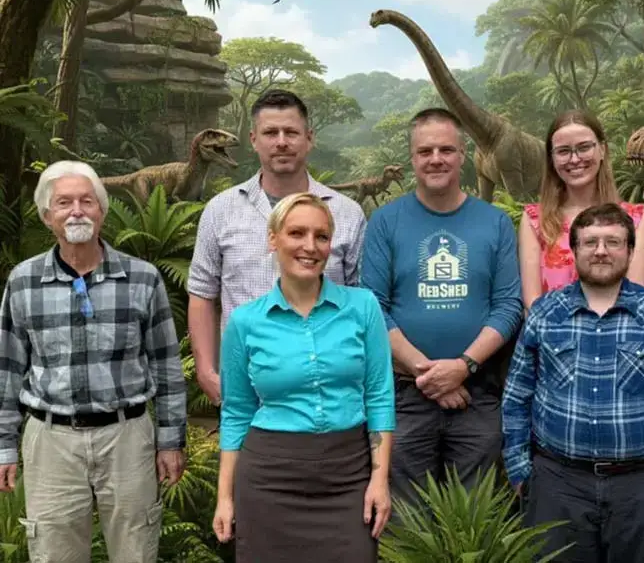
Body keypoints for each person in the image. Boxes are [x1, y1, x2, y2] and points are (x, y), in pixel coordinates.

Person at [502, 203, 644, 563]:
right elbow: (517, 396)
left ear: (630, 252)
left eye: (613, 242)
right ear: (576, 251)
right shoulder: (545, 313)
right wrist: (521, 469)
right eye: (591, 242)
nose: (601, 251)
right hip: (558, 485)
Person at [0, 161, 187, 562]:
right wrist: (4, 446)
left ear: (102, 211)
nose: (77, 210)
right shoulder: (23, 281)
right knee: (53, 553)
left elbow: (167, 366)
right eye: (64, 202)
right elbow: (8, 368)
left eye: (88, 201)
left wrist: (171, 440)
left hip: (127, 437)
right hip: (51, 440)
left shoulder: (143, 278)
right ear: (47, 215)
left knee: (136, 551)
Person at [212, 192, 394, 561]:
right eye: (297, 233)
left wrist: (380, 478)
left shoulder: (363, 307)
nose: (310, 246)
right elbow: (236, 413)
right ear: (273, 238)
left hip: (349, 475)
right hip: (269, 478)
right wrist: (225, 498)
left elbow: (378, 396)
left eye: (322, 236)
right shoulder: (245, 322)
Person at [360, 107, 522, 506]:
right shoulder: (385, 221)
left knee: (474, 516)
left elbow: (508, 305)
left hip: (477, 393)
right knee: (406, 518)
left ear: (462, 155)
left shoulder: (494, 222)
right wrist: (428, 374)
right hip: (406, 396)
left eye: (446, 149)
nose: (436, 159)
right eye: (425, 150)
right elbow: (373, 307)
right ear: (412, 157)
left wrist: (462, 367)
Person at [188, 89, 367, 408]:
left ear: (309, 138)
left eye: (291, 132)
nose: (281, 141)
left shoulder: (347, 213)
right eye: (271, 132)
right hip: (245, 387)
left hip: (329, 389)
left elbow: (361, 302)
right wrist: (205, 369)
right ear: (254, 139)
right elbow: (202, 293)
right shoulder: (221, 210)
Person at [519, 110, 644, 310]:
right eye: (563, 151)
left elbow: (634, 297)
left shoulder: (636, 219)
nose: (574, 159)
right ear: (551, 158)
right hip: (549, 337)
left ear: (602, 149)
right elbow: (533, 303)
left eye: (584, 148)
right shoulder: (535, 220)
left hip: (617, 336)